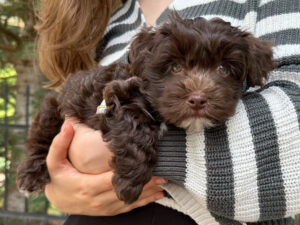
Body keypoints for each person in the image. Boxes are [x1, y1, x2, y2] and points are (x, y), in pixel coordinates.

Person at [36, 0, 300, 224]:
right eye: (175, 68)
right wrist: (60, 188)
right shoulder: (102, 14)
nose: (198, 92)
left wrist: (115, 146)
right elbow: (97, 99)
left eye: (221, 70)